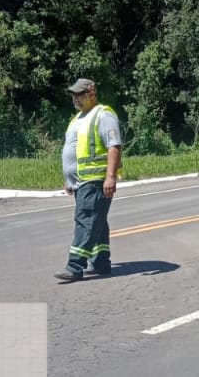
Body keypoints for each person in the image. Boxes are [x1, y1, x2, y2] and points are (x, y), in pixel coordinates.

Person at [55, 78, 123, 281]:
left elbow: (114, 146)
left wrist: (110, 177)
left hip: (95, 179)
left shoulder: (103, 115)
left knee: (85, 221)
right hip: (81, 181)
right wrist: (70, 180)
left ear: (92, 92)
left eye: (79, 94)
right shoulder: (78, 117)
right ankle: (101, 262)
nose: (75, 98)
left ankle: (75, 266)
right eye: (74, 94)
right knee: (97, 222)